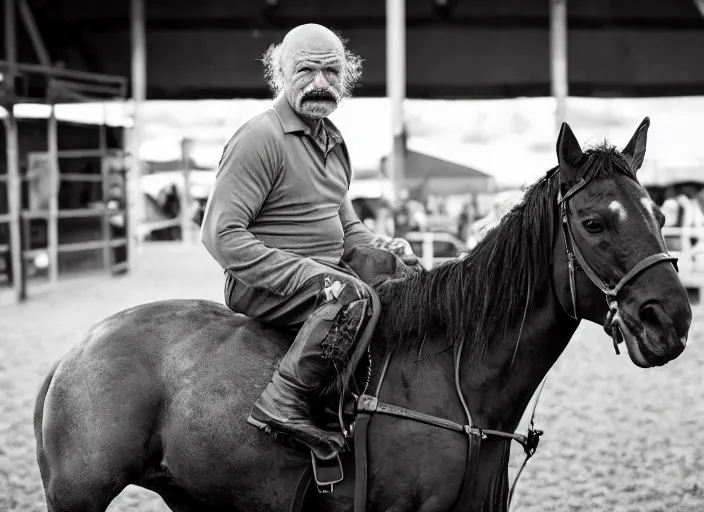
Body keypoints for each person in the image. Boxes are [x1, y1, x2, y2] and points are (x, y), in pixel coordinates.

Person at [200, 24, 419, 460]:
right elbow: (220, 235)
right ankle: (283, 403)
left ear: (346, 78)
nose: (321, 83)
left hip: (324, 276)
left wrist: (387, 252)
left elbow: (347, 226)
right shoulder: (260, 137)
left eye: (331, 71)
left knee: (407, 278)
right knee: (353, 297)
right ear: (280, 73)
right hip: (260, 284)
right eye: (306, 70)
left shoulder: (334, 142)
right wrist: (311, 274)